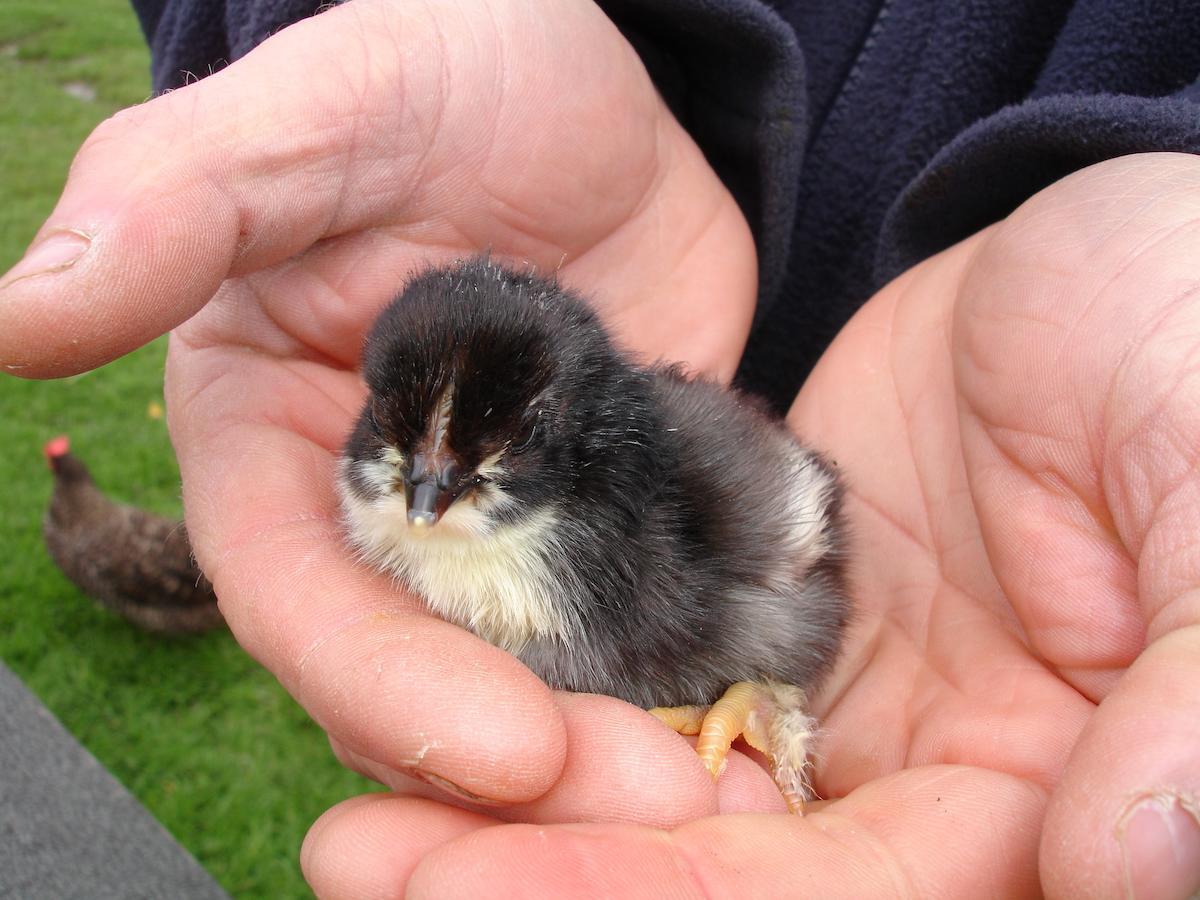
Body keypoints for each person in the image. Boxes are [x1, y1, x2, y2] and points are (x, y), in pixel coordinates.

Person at [2, 0, 1198, 896]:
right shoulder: (394, 474)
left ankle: (759, 693)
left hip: (930, 372)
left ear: (564, 434)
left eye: (477, 454)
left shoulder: (671, 507)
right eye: (407, 440)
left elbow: (799, 517)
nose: (426, 489)